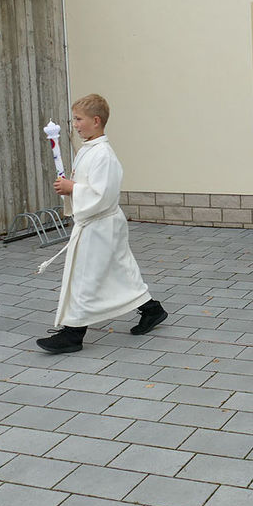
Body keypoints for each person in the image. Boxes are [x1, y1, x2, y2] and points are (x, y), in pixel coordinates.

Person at [36, 94, 168, 353]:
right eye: (74, 119)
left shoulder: (103, 155)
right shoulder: (89, 150)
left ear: (96, 121)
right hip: (96, 224)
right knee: (118, 271)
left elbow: (103, 194)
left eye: (78, 119)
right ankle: (152, 309)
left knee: (85, 278)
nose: (74, 124)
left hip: (100, 225)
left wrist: (73, 187)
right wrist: (71, 190)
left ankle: (73, 334)